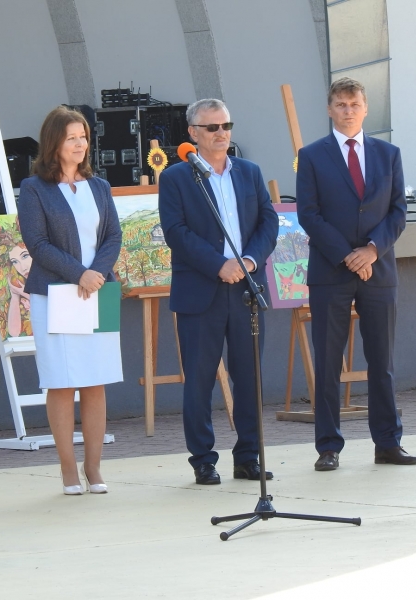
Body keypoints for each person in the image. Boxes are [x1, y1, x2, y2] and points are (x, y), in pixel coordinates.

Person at [296, 77, 416, 472]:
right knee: (328, 362)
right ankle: (328, 446)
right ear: (329, 109)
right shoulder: (311, 156)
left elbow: (398, 211)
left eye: (354, 104)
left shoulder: (389, 154)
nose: (348, 110)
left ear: (365, 109)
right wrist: (347, 255)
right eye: (341, 104)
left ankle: (388, 443)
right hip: (331, 271)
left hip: (378, 269)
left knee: (382, 361)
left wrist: (371, 250)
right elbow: (308, 213)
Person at [158, 98, 279, 485]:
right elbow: (176, 232)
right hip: (201, 291)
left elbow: (268, 221)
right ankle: (203, 460)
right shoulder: (177, 178)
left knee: (249, 377)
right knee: (199, 380)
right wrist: (218, 264)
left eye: (226, 125)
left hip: (246, 288)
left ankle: (248, 457)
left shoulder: (249, 171)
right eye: (212, 127)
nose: (221, 133)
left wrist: (249, 261)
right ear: (193, 133)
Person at [18, 106, 122, 495]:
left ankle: (93, 467)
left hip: (100, 291)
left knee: (96, 381)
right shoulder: (34, 188)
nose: (80, 145)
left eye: (84, 138)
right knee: (62, 382)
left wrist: (96, 273)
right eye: (71, 138)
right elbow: (37, 243)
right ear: (54, 143)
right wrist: (79, 273)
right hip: (57, 293)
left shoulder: (100, 186)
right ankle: (67, 469)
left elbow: (113, 236)